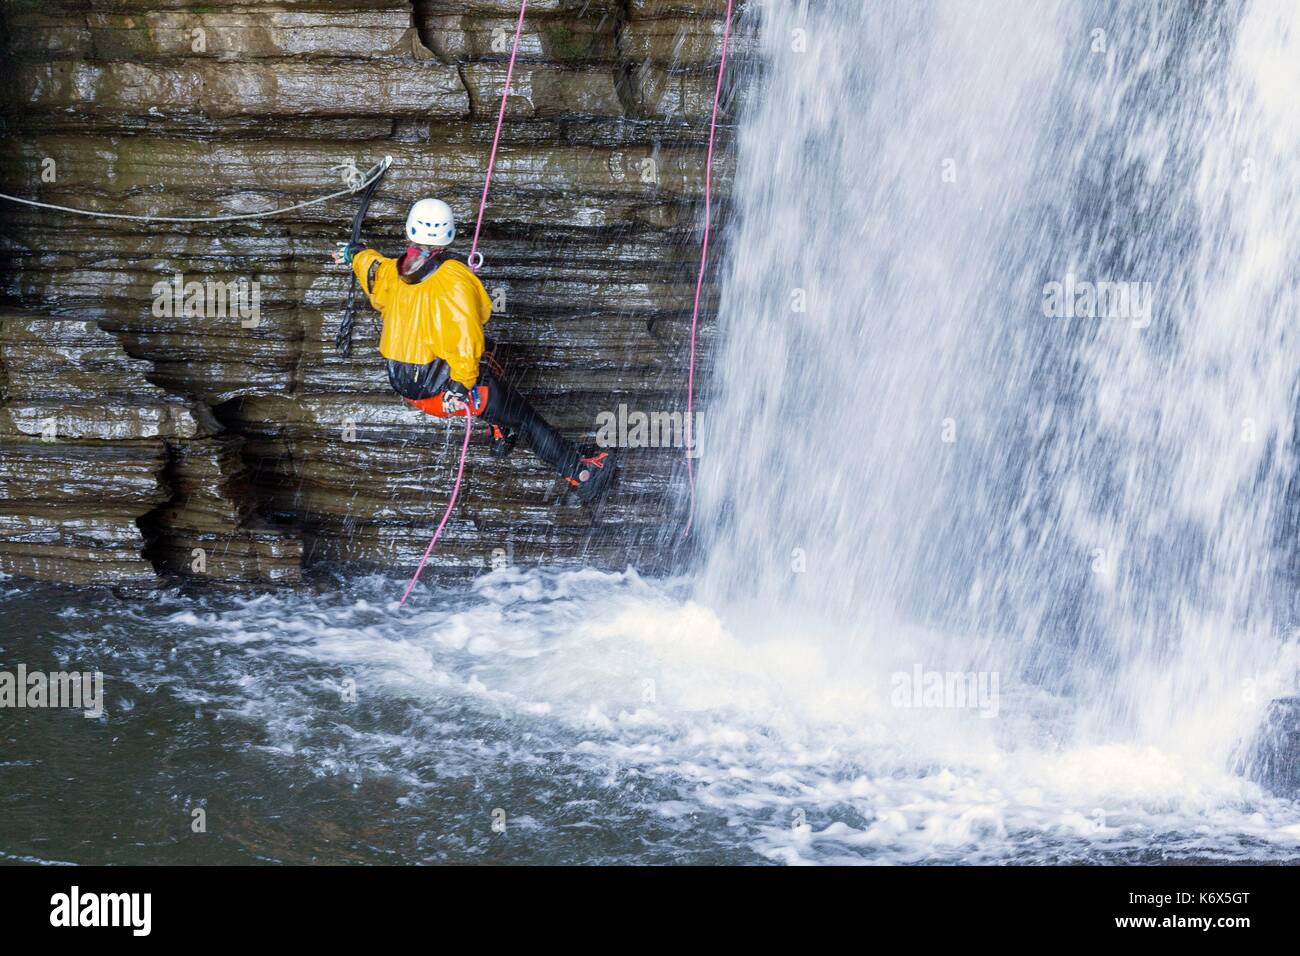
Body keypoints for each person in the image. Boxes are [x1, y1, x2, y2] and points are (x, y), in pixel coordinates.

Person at [333, 198, 614, 501]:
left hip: (410, 390)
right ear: (449, 235)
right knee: (523, 416)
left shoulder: (393, 271)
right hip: (447, 394)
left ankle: (500, 432)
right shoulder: (453, 277)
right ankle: (581, 474)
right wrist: (461, 386)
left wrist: (353, 254)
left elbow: (370, 267)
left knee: (490, 365)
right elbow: (473, 328)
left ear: (409, 231)